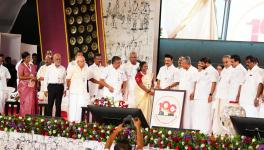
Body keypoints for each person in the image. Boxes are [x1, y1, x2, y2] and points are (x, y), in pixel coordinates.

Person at [66, 56, 100, 122]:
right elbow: (67, 79)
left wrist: (99, 82)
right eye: (82, 61)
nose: (84, 62)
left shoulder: (86, 68)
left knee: (82, 107)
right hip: (74, 93)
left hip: (83, 92)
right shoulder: (72, 68)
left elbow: (90, 78)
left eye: (84, 61)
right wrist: (71, 88)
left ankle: (81, 121)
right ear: (77, 62)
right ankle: (73, 121)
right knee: (74, 108)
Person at [192, 57, 218, 134]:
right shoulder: (203, 71)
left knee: (206, 114)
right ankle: (198, 129)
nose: (201, 65)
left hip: (206, 97)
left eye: (202, 63)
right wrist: (194, 92)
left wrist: (210, 94)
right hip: (199, 96)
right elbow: (197, 82)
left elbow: (214, 83)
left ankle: (206, 131)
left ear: (207, 63)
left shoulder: (213, 71)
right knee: (198, 114)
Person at [212, 55, 233, 134]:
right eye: (224, 62)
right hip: (219, 97)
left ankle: (226, 133)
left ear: (231, 61)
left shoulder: (233, 71)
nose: (225, 64)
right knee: (217, 116)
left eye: (226, 62)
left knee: (225, 117)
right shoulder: (223, 71)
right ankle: (217, 132)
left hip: (226, 97)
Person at [178, 56, 197, 129]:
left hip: (190, 95)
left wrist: (194, 92)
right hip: (181, 94)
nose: (180, 64)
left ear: (186, 63)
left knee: (189, 112)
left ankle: (189, 127)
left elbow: (196, 83)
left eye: (182, 63)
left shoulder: (194, 70)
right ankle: (181, 127)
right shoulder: (181, 70)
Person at [18, 52, 38, 117]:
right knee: (26, 103)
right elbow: (20, 77)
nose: (29, 58)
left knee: (32, 102)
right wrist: (29, 77)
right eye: (27, 57)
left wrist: (35, 78)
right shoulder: (21, 66)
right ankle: (24, 116)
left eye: (29, 57)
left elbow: (35, 75)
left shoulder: (32, 66)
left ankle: (32, 117)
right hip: (24, 88)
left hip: (32, 87)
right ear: (23, 58)